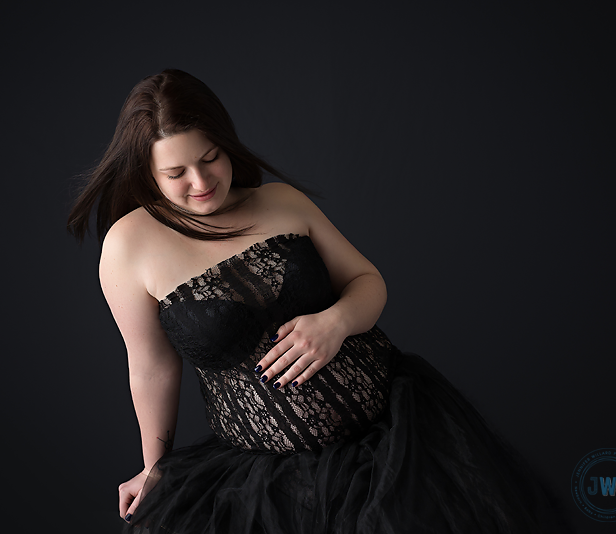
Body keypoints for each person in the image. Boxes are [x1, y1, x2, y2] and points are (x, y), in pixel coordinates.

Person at [68, 69, 573, 534]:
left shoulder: (280, 202)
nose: (201, 183)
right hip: (271, 487)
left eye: (209, 159)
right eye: (176, 173)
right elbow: (153, 367)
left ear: (225, 145)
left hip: (399, 443)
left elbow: (367, 280)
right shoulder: (129, 246)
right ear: (147, 172)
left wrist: (335, 322)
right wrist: (155, 467)